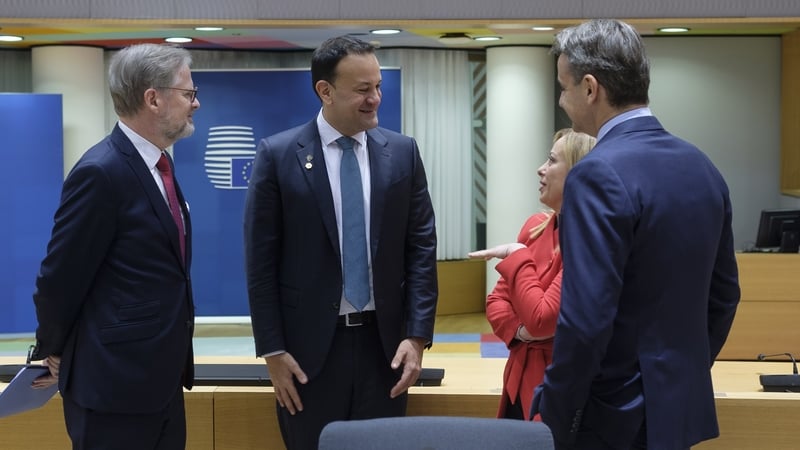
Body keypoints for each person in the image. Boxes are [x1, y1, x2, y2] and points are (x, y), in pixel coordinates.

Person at [531, 19, 741, 449]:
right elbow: (723, 297)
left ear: (591, 88)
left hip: (611, 419)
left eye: (564, 87)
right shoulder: (702, 166)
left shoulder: (596, 174)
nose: (562, 100)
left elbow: (586, 321)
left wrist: (555, 410)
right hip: (678, 411)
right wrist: (679, 375)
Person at [243, 35, 438, 450]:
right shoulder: (278, 157)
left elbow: (421, 250)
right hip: (307, 356)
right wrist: (272, 351)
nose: (375, 99)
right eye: (363, 90)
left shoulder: (402, 153)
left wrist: (417, 336)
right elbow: (260, 263)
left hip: (384, 351)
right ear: (325, 91)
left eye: (378, 87)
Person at [30, 43, 200, 450]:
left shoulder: (159, 163)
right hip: (113, 388)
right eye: (188, 93)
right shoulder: (101, 172)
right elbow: (60, 276)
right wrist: (52, 349)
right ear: (153, 98)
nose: (196, 103)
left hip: (160, 382)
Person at [468, 128, 595, 421]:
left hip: (558, 386)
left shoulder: (589, 239)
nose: (540, 169)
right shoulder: (535, 226)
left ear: (578, 172)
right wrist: (520, 332)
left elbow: (541, 318)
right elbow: (496, 303)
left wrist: (517, 255)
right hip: (517, 377)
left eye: (551, 161)